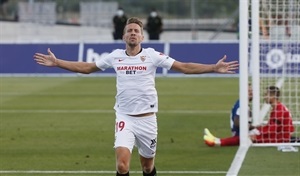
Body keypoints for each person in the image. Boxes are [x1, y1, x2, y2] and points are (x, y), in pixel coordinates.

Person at [33, 17, 239, 176]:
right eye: (129, 31)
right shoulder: (115, 57)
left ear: (141, 37)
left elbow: (184, 67)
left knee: (148, 168)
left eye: (136, 31)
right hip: (125, 118)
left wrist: (213, 67)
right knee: (122, 166)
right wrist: (58, 62)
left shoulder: (152, 55)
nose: (133, 33)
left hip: (148, 120)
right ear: (123, 36)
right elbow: (87, 67)